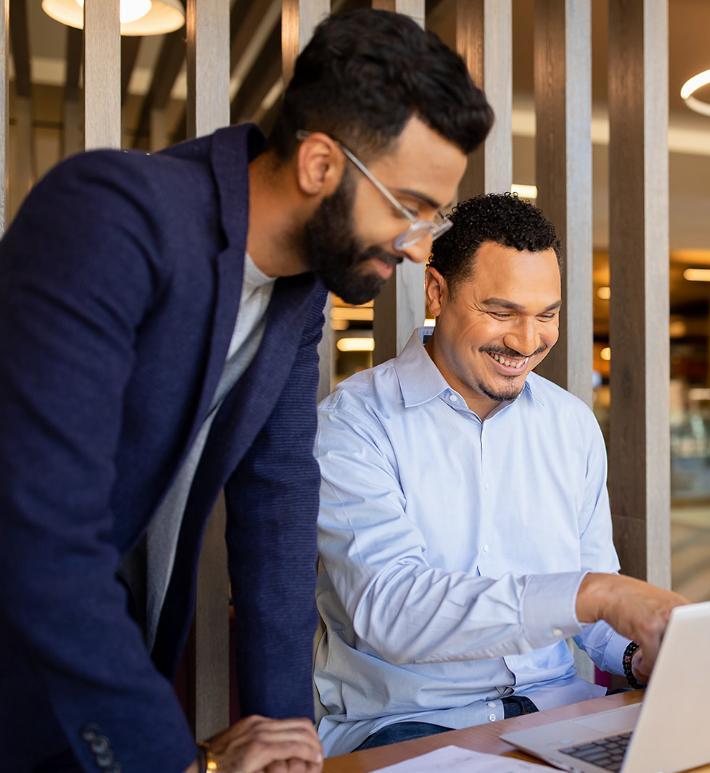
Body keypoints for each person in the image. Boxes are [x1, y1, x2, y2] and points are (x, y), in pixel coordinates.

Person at [0, 10, 492, 772]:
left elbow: (278, 510)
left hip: (105, 688)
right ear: (321, 165)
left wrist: (288, 736)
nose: (420, 244)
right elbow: (44, 538)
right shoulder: (111, 215)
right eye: (410, 209)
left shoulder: (298, 297)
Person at [313, 194, 688, 755]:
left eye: (547, 314)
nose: (526, 340)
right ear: (436, 292)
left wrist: (639, 654)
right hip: (410, 724)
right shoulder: (355, 422)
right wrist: (594, 593)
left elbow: (591, 612)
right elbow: (390, 610)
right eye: (501, 311)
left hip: (559, 711)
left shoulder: (571, 424)